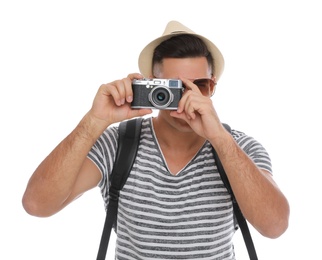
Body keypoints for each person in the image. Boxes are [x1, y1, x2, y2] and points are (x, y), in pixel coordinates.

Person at [22, 20, 290, 259]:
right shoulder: (118, 144)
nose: (185, 100)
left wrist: (219, 137)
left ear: (213, 86)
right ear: (151, 86)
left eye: (199, 86)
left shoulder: (240, 147)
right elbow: (37, 204)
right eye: (171, 88)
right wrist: (94, 121)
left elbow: (275, 226)